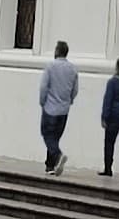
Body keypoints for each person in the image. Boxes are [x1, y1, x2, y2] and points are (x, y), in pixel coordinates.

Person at [37, 40, 78, 176]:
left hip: (50, 108)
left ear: (56, 51)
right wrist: (70, 100)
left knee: (47, 134)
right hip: (64, 109)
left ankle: (58, 156)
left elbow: (44, 87)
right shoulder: (72, 68)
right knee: (55, 137)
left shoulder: (51, 67)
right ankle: (50, 165)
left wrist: (42, 101)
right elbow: (75, 89)